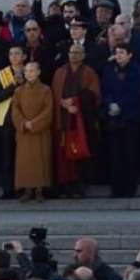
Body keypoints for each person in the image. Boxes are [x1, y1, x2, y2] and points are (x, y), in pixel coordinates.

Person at [51, 43, 101, 197]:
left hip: (81, 120)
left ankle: (79, 186)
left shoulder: (89, 73)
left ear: (84, 55)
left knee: (79, 153)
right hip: (63, 119)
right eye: (71, 52)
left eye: (78, 52)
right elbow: (53, 94)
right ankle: (63, 186)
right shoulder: (59, 72)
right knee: (62, 155)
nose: (74, 55)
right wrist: (62, 103)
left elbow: (94, 95)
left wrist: (75, 102)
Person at [101, 42, 140, 198]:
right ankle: (117, 188)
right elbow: (105, 89)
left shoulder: (137, 70)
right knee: (115, 155)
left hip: (130, 118)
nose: (118, 55)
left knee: (130, 155)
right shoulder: (109, 69)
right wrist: (110, 103)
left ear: (129, 54)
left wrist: (120, 105)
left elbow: (136, 92)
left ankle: (130, 188)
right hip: (113, 117)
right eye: (117, 52)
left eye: (121, 53)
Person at [11, 62, 53, 202]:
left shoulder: (46, 90)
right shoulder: (18, 91)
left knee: (41, 159)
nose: (29, 73)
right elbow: (15, 111)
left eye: (32, 71)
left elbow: (48, 111)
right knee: (25, 162)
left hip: (40, 131)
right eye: (27, 71)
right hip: (24, 132)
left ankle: (39, 190)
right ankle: (27, 190)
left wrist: (34, 124)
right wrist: (23, 123)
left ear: (39, 72)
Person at [0, 45, 27, 199]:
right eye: (11, 54)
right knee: (7, 156)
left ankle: (25, 187)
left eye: (17, 54)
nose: (14, 57)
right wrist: (13, 86)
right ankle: (8, 189)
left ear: (24, 56)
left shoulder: (30, 71)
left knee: (25, 155)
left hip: (26, 119)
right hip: (6, 120)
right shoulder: (1, 74)